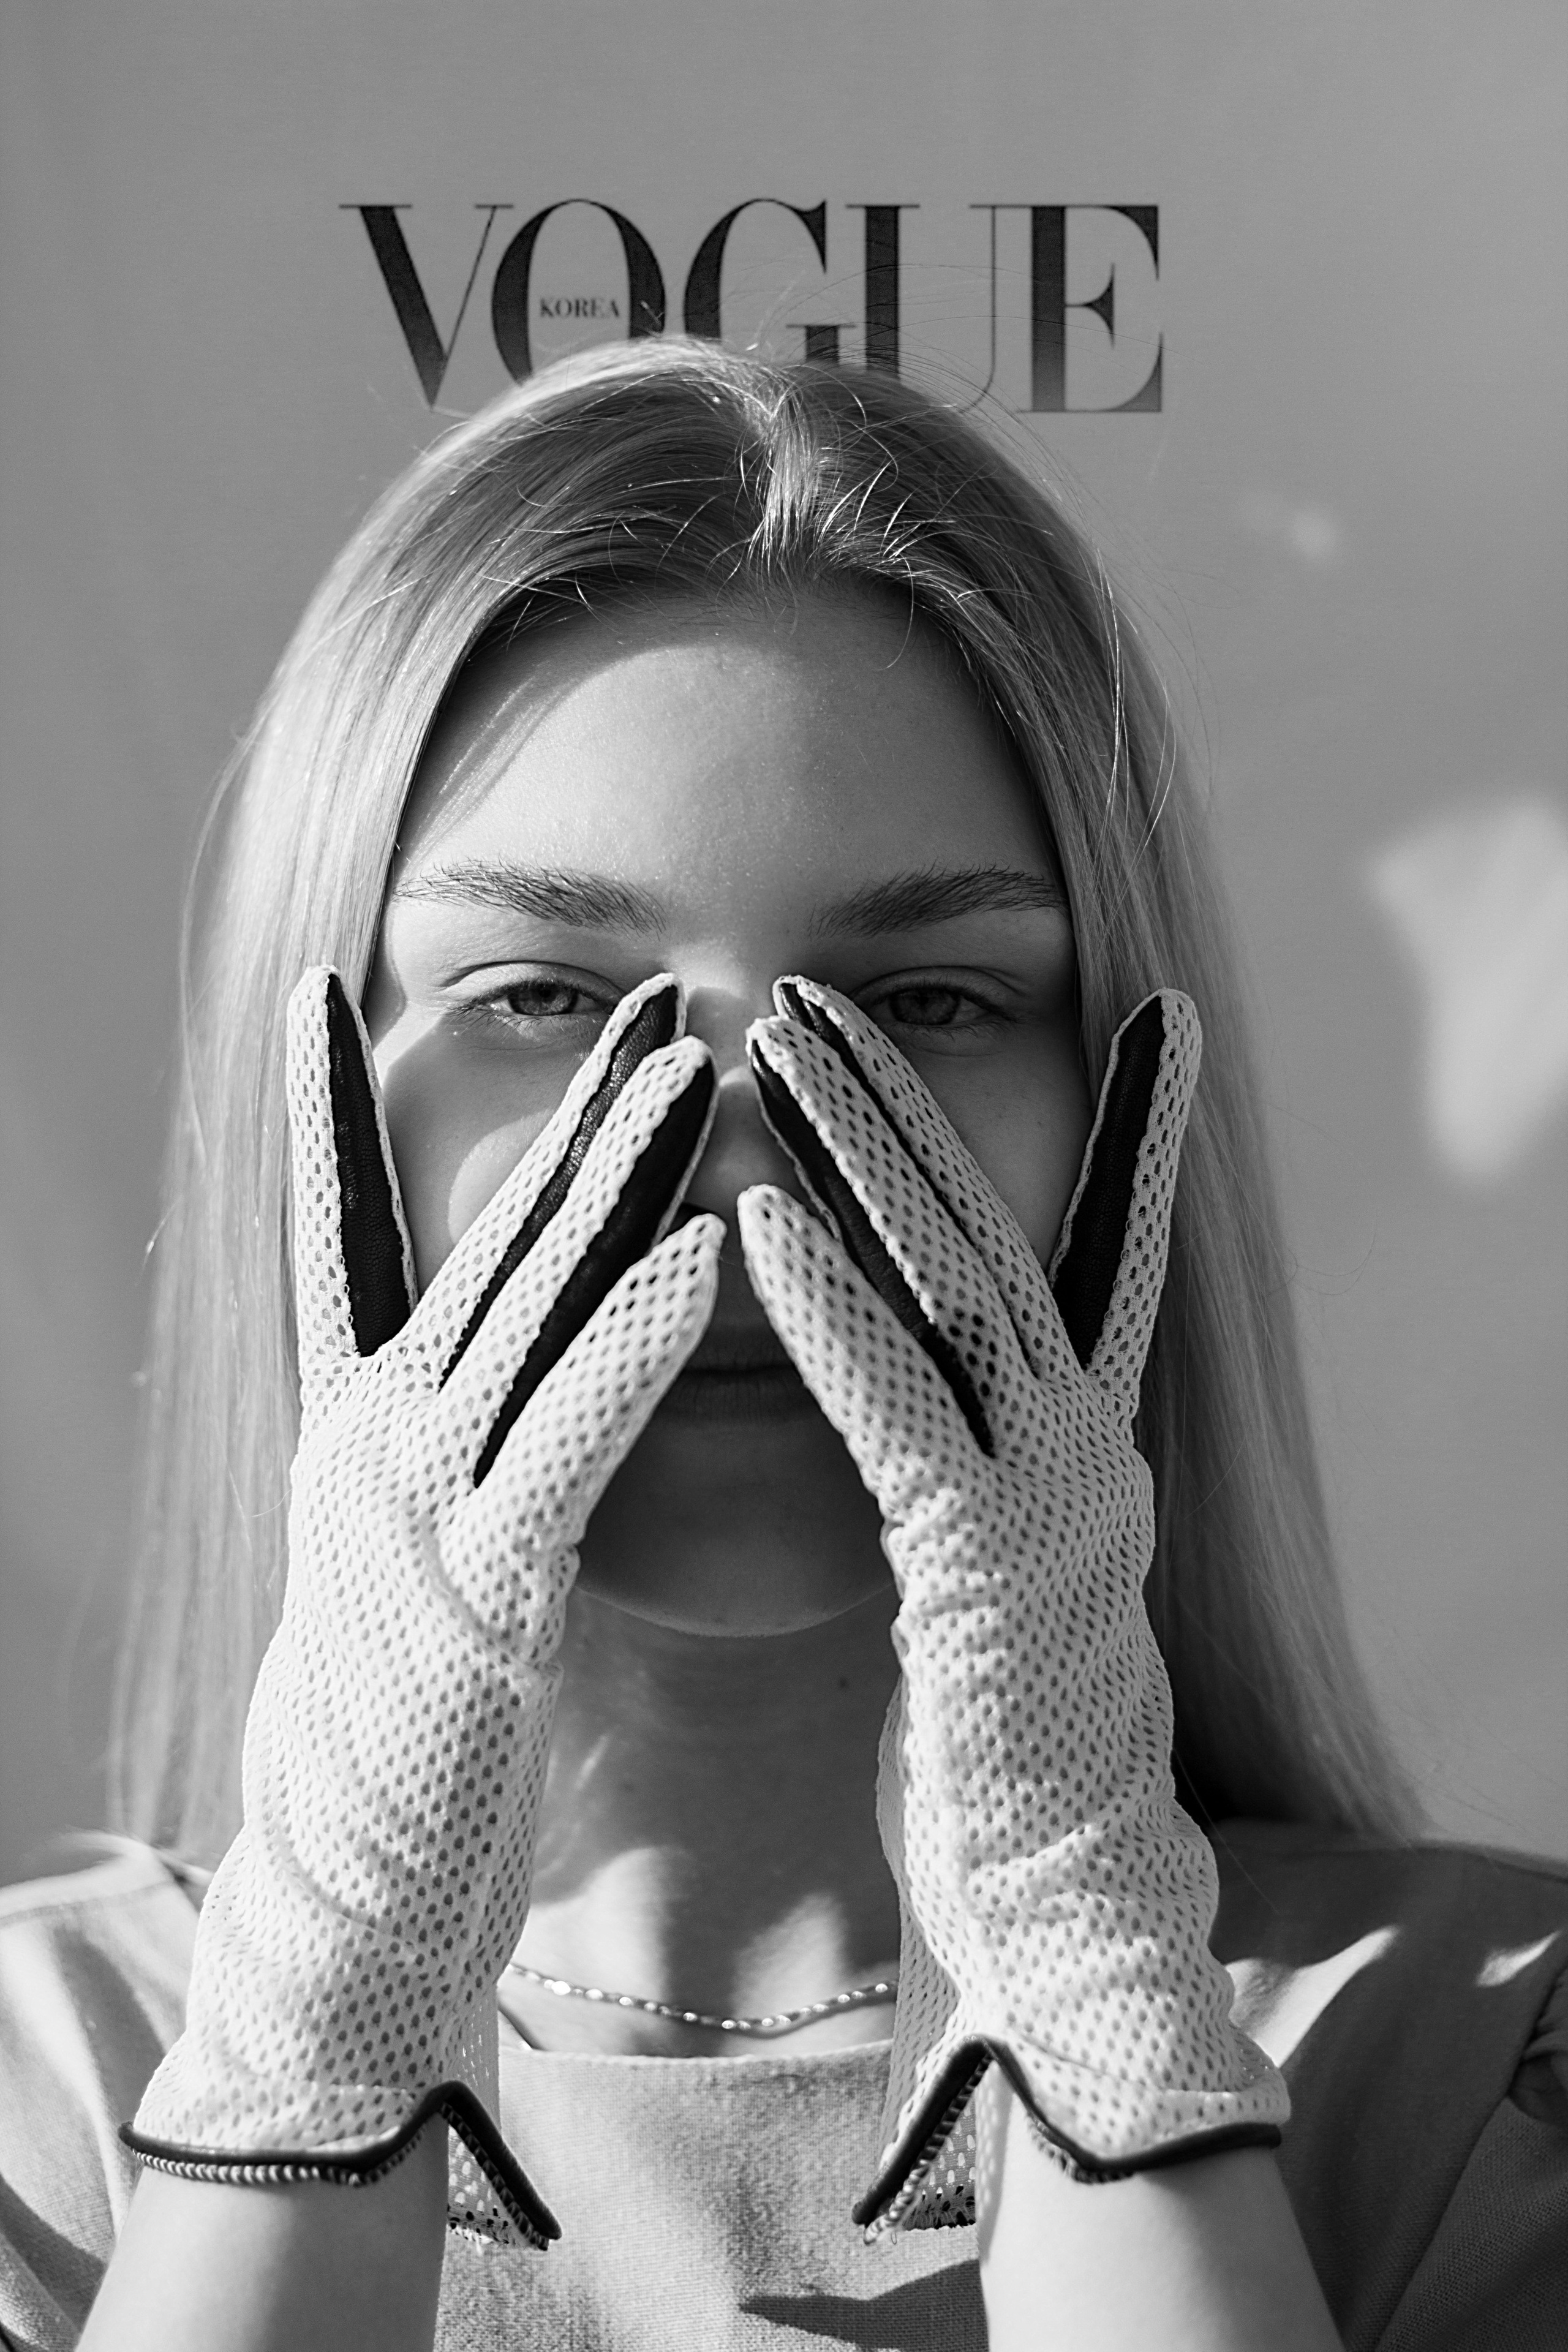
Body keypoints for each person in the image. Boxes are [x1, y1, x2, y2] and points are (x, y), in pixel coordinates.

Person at [0, 341, 1562, 2352]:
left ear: (1127, 1116)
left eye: (924, 1000)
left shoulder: (1493, 2062)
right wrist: (313, 2051)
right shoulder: (43, 2103)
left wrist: (1092, 1981)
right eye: (550, 1002)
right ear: (317, 1115)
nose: (744, 1167)